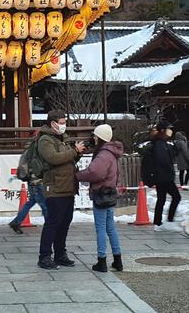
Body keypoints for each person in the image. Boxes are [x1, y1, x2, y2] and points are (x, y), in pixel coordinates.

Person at [36, 110, 86, 270]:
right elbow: (53, 158)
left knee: (65, 222)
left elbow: (66, 159)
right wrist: (73, 151)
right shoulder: (45, 139)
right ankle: (44, 256)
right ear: (53, 123)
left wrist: (77, 153)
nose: (64, 125)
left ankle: (60, 254)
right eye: (62, 122)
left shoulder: (61, 139)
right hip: (55, 187)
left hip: (68, 186)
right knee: (53, 223)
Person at [75, 124, 124, 272]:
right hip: (110, 193)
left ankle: (101, 261)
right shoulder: (113, 153)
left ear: (101, 137)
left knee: (101, 228)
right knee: (110, 228)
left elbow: (94, 172)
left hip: (101, 194)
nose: (94, 138)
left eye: (95, 136)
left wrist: (77, 175)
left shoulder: (103, 154)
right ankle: (118, 260)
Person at [140, 123, 181, 230]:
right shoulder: (160, 143)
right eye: (168, 129)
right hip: (164, 176)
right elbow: (163, 160)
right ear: (163, 130)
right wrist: (170, 171)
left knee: (161, 199)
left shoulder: (160, 142)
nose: (170, 131)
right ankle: (169, 221)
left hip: (160, 176)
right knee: (176, 197)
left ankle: (158, 223)